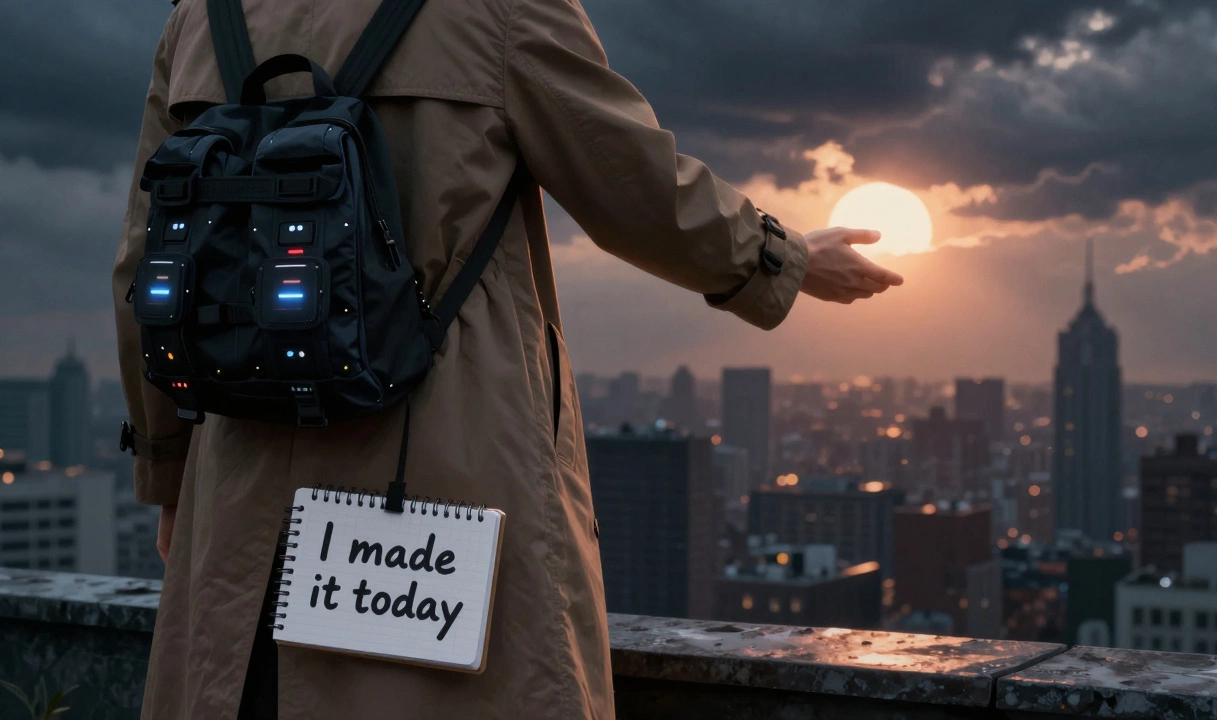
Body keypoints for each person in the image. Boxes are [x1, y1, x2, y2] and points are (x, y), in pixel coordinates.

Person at [112, 0, 904, 718]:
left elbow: (144, 269)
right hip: (440, 483)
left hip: (237, 507)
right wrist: (782, 258)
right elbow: (636, 184)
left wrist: (170, 476)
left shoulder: (198, 19)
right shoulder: (496, 9)